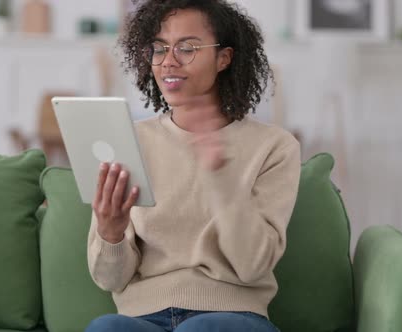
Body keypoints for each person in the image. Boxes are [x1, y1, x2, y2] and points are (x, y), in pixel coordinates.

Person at [85, 0, 300, 331]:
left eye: (187, 48)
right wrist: (110, 233)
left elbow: (253, 265)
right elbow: (110, 280)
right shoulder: (129, 140)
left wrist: (222, 178)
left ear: (224, 58)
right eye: (159, 49)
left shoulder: (274, 147)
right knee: (105, 327)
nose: (168, 62)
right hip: (141, 317)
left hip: (232, 317)